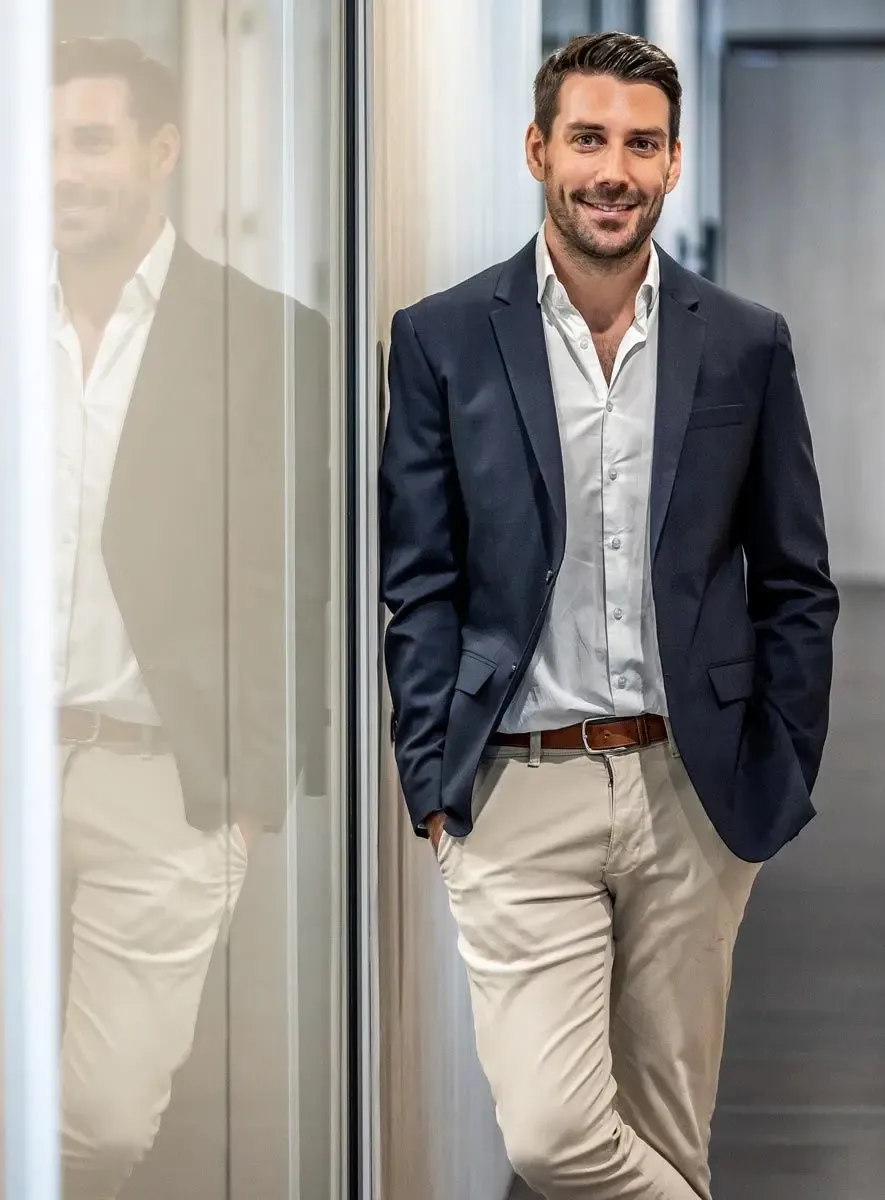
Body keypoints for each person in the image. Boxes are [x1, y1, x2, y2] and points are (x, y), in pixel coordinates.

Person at [379, 31, 838, 1200]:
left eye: (641, 144)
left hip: (693, 788)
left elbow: (795, 581)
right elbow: (419, 575)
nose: (612, 169)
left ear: (675, 164)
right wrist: (433, 773)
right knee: (553, 1135)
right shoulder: (442, 338)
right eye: (588, 138)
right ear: (540, 150)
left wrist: (777, 769)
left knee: (669, 1135)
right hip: (519, 786)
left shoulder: (743, 343)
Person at [52, 36, 328, 1197]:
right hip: (22, 758)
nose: (62, 169)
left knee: (104, 1122)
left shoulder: (263, 338)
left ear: (161, 152)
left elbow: (292, 579)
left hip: (161, 778)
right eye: (45, 143)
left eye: (92, 140)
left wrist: (250, 800)